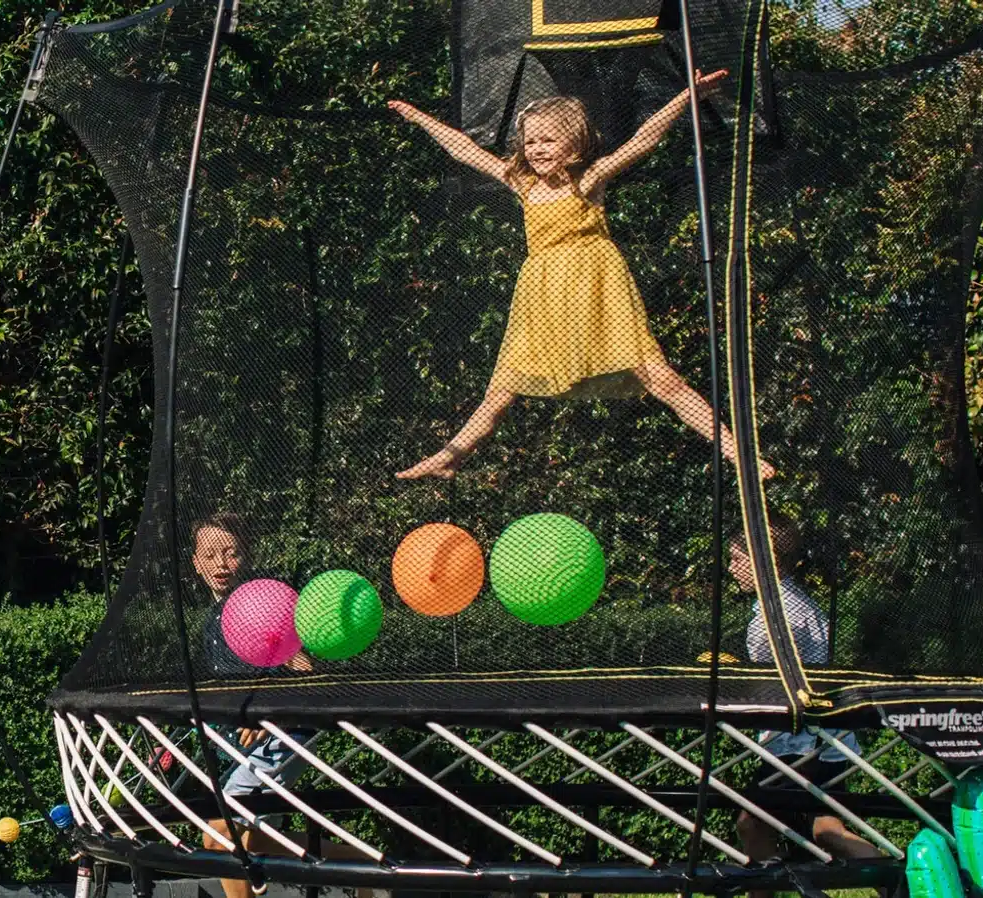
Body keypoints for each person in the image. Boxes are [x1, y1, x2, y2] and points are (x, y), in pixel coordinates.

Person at [386, 76, 776, 481]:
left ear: (573, 145)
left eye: (547, 141)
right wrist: (418, 118)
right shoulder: (521, 184)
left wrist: (687, 97)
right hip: (544, 301)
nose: (536, 149)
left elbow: (644, 140)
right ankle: (451, 454)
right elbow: (464, 149)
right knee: (502, 388)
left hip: (599, 295)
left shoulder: (587, 182)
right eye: (530, 142)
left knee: (659, 377)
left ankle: (738, 456)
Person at [187, 516, 373, 898]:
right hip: (246, 745)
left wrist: (269, 713)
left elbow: (303, 670)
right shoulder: (212, 620)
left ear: (246, 556)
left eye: (231, 553)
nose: (221, 563)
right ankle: (356, 863)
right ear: (195, 563)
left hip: (284, 737)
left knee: (219, 834)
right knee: (250, 840)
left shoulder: (264, 605)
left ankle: (359, 866)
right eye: (210, 555)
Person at [731, 511, 881, 894]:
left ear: (764, 559)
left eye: (737, 558)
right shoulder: (795, 602)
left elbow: (777, 679)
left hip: (798, 743)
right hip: (830, 742)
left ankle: (766, 889)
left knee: (753, 822)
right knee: (826, 828)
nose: (731, 568)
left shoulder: (777, 614)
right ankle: (893, 881)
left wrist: (736, 678)